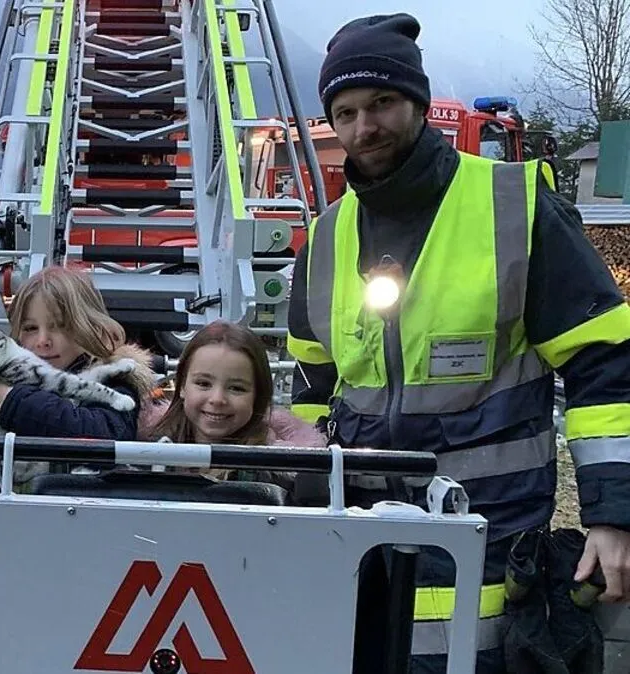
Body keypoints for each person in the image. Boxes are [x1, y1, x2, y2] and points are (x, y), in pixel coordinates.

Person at [285, 12, 630, 673]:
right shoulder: (324, 238)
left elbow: (606, 366)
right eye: (347, 111)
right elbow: (311, 389)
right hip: (360, 543)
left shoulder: (516, 205)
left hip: (489, 541)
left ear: (417, 101)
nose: (365, 127)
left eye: (382, 102)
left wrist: (614, 517)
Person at [0, 264, 157, 673]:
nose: (43, 342)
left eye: (59, 327)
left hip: (79, 573)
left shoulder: (114, 384)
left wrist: (11, 404)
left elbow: (103, 436)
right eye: (29, 328)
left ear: (87, 324)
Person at [139, 320, 326, 489]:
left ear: (258, 395)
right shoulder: (139, 454)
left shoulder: (283, 474)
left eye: (236, 388)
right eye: (204, 384)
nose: (218, 399)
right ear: (182, 387)